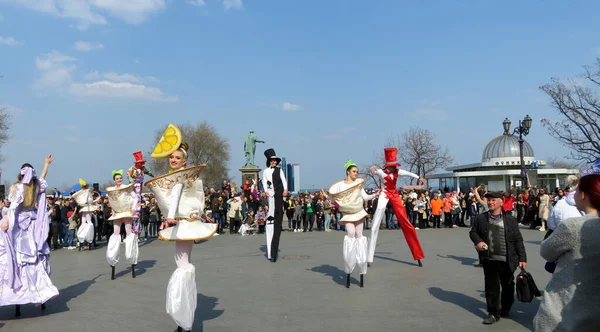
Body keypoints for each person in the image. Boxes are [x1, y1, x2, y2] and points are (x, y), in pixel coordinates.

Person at [145, 137, 218, 332]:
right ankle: (184, 315)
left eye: (177, 157)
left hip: (183, 225)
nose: (173, 160)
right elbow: (194, 199)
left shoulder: (179, 178)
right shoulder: (187, 178)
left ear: (184, 161)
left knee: (182, 265)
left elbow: (177, 197)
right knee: (185, 265)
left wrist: (169, 217)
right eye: (171, 157)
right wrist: (202, 215)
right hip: (188, 223)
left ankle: (182, 314)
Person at [533, 169, 600, 332]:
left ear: (583, 195)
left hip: (564, 312)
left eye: (576, 190)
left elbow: (546, 252)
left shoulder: (573, 226)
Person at [0, 155, 59, 316]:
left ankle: (19, 294)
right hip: (31, 225)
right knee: (33, 257)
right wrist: (46, 164)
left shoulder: (18, 187)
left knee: (17, 258)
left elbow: (12, 208)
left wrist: (5, 221)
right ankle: (38, 294)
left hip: (18, 226)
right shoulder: (35, 187)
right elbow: (42, 178)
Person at [470, 191, 527, 325]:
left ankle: (505, 307)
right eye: (488, 200)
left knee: (508, 286)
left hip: (507, 259)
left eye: (493, 200)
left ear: (501, 202)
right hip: (490, 259)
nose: (490, 202)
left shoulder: (510, 219)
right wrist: (478, 242)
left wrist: (522, 258)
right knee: (491, 287)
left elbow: (518, 239)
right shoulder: (481, 218)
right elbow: (473, 232)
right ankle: (493, 313)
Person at [321, 160, 378, 288]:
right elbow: (336, 197)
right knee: (351, 233)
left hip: (359, 212)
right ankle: (349, 262)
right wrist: (327, 196)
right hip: (348, 213)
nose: (356, 173)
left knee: (359, 235)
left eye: (357, 172)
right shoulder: (341, 186)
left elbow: (365, 197)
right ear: (348, 172)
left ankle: (362, 262)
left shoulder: (358, 184)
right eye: (354, 171)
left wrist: (375, 194)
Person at [368, 148, 426, 266]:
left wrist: (418, 177)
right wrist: (372, 169)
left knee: (405, 221)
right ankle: (369, 255)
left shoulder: (397, 172)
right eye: (392, 166)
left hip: (394, 195)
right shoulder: (382, 172)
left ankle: (417, 254)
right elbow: (374, 170)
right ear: (387, 166)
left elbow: (408, 173)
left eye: (394, 165)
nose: (394, 167)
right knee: (376, 222)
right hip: (384, 194)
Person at [105, 169, 139, 280]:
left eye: (120, 178)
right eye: (117, 178)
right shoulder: (112, 190)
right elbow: (111, 200)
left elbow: (135, 197)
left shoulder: (127, 187)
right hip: (118, 212)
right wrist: (113, 210)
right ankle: (112, 256)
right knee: (115, 233)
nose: (119, 180)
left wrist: (133, 209)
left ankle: (131, 256)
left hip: (127, 211)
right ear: (114, 180)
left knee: (129, 232)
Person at [261, 148, 288, 262]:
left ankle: (274, 252)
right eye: (272, 161)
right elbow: (264, 182)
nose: (274, 162)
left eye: (275, 161)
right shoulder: (266, 171)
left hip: (278, 196)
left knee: (277, 221)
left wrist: (285, 189)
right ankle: (271, 253)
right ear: (269, 161)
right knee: (271, 220)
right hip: (270, 196)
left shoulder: (279, 170)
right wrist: (266, 190)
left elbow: (284, 180)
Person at [73, 178, 100, 251]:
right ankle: (82, 237)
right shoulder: (82, 193)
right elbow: (77, 198)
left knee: (89, 222)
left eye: (84, 186)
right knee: (83, 222)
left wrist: (88, 202)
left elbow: (90, 199)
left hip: (88, 208)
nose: (84, 188)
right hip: (84, 208)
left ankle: (89, 237)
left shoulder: (88, 193)